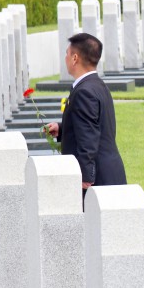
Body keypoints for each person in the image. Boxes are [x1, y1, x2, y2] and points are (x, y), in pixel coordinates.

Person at [45, 33, 126, 192]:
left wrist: (85, 176)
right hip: (108, 172)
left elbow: (89, 137)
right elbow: (94, 124)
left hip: (97, 180)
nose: (65, 58)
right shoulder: (96, 85)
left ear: (75, 58)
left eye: (67, 54)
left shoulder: (84, 91)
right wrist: (62, 129)